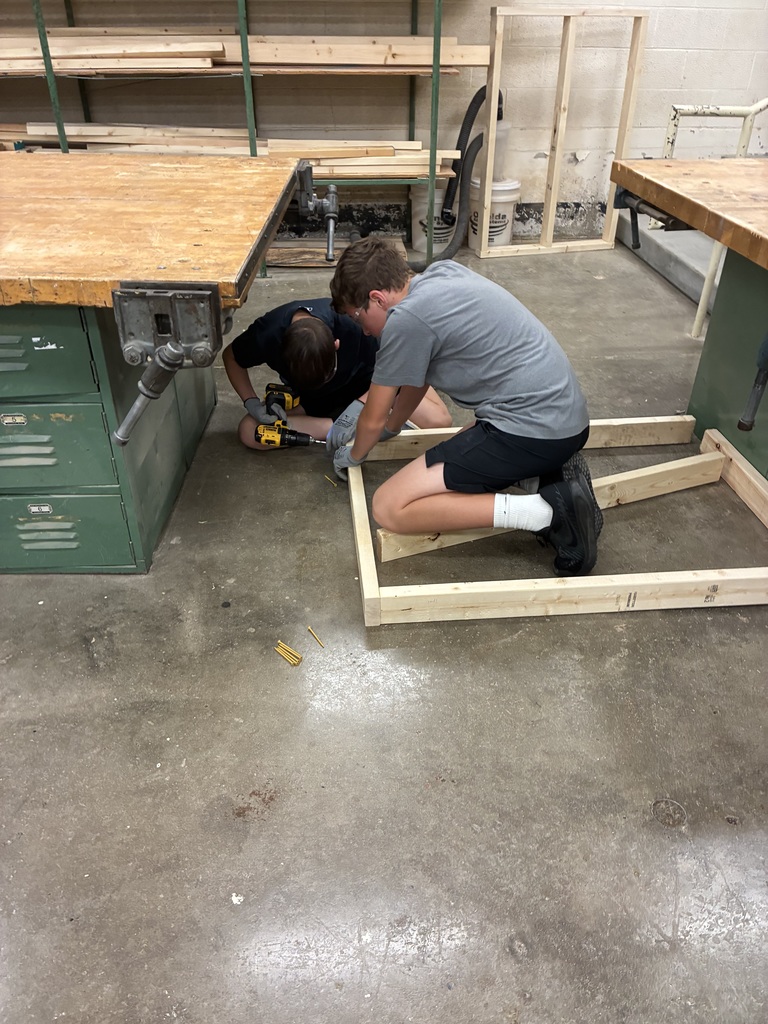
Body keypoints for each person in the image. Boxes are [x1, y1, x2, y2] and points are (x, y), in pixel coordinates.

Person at [327, 237, 603, 576]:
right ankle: (550, 478)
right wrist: (393, 426)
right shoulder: (442, 274)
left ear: (377, 299)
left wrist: (355, 454)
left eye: (358, 319)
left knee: (389, 506)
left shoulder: (406, 320)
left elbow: (370, 418)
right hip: (565, 420)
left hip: (531, 432)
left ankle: (548, 513)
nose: (364, 332)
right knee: (462, 446)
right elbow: (418, 377)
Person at [222, 297, 451, 451]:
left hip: (371, 385)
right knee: (249, 431)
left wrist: (362, 407)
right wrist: (251, 402)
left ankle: (354, 426)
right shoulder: (267, 334)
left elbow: (397, 365)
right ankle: (336, 429)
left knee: (439, 423)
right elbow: (231, 357)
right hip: (316, 404)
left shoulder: (352, 323)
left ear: (336, 344)